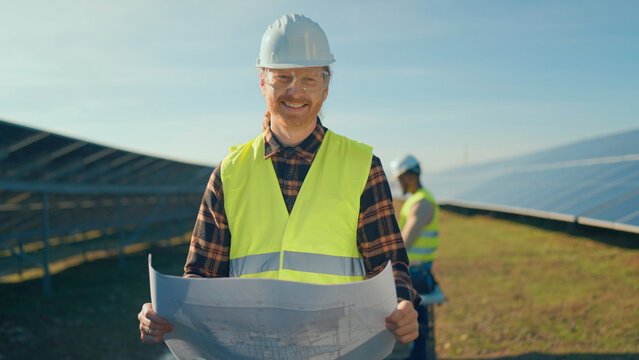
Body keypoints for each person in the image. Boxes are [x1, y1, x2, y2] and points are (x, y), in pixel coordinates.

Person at [138, 13, 420, 349]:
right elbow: (200, 279)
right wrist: (165, 312)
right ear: (262, 82)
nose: (294, 90)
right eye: (282, 77)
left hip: (341, 351)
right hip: (250, 352)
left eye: (309, 80)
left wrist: (402, 304)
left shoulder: (363, 168)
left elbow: (389, 269)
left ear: (326, 87)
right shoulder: (229, 173)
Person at [390, 154, 443, 360]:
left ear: (410, 175)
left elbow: (403, 244)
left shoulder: (421, 204)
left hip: (416, 276)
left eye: (400, 178)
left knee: (414, 332)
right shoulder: (415, 200)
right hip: (416, 272)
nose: (398, 183)